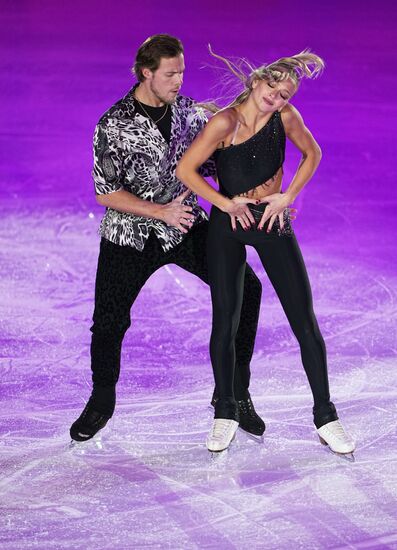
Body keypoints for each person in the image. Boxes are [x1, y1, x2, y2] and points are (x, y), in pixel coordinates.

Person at [70, 34, 264, 442]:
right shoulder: (114, 124)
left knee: (246, 288)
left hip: (185, 227)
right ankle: (101, 401)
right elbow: (105, 192)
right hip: (130, 235)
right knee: (108, 321)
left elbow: (211, 162)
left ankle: (234, 393)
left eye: (182, 72)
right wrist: (161, 211)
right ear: (147, 73)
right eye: (170, 73)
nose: (179, 80)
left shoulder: (190, 115)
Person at [176, 49, 355, 455]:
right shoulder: (225, 121)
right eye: (273, 91)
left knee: (303, 320)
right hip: (229, 226)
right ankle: (225, 411)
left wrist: (287, 195)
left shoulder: (286, 119)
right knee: (225, 320)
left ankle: (326, 417)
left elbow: (313, 154)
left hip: (271, 221)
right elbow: (185, 170)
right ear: (257, 82)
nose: (277, 100)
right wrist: (224, 204)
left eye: (285, 96)